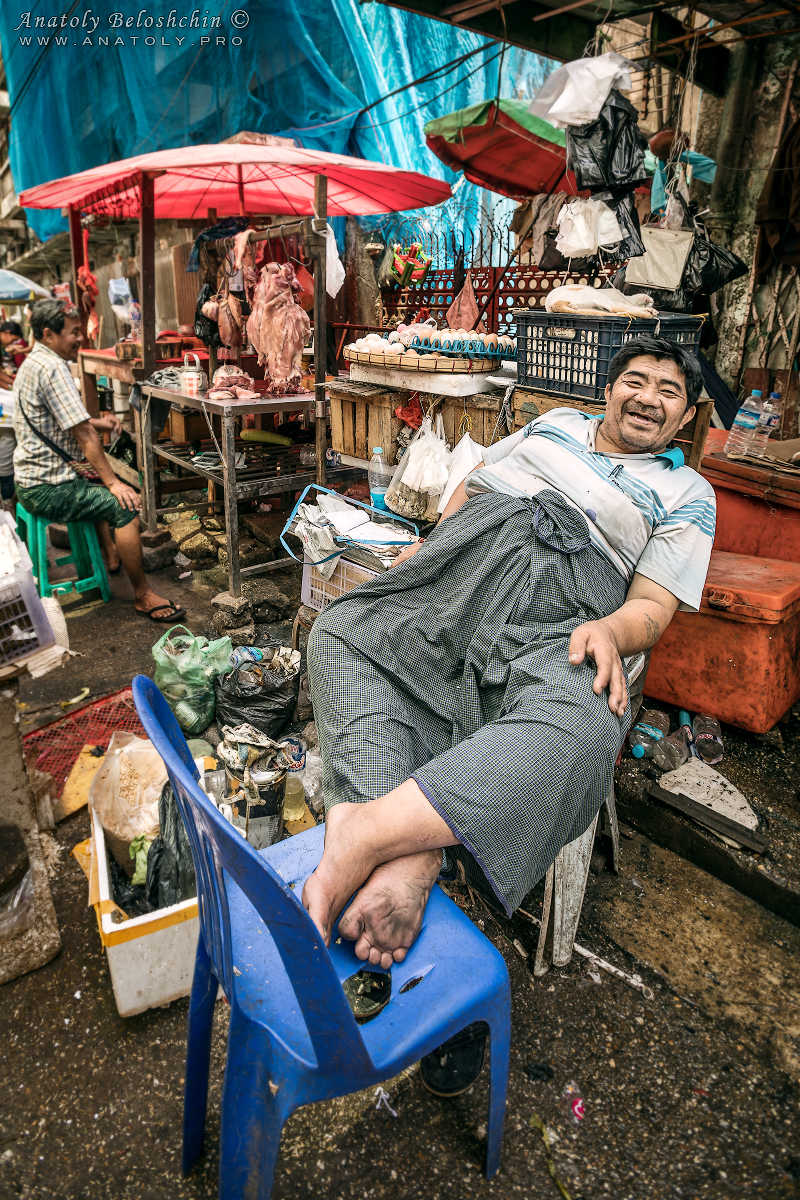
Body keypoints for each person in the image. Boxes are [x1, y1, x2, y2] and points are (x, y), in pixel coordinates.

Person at [302, 335, 716, 1095]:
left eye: (667, 390)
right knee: (343, 634)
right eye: (634, 379)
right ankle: (410, 860)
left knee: (588, 730)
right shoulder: (553, 424)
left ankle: (368, 832)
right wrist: (426, 550)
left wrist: (612, 632)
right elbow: (477, 484)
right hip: (465, 568)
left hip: (567, 615)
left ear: (685, 416)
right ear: (609, 388)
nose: (647, 397)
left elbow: (654, 604)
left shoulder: (689, 493)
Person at [12, 298, 185, 621]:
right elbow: (85, 437)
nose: (80, 338)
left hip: (31, 479)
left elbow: (68, 422)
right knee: (124, 506)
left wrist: (99, 423)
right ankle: (143, 595)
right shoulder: (53, 368)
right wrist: (113, 481)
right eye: (73, 332)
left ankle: (110, 554)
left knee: (98, 488)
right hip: (47, 487)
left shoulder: (33, 361)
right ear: (49, 334)